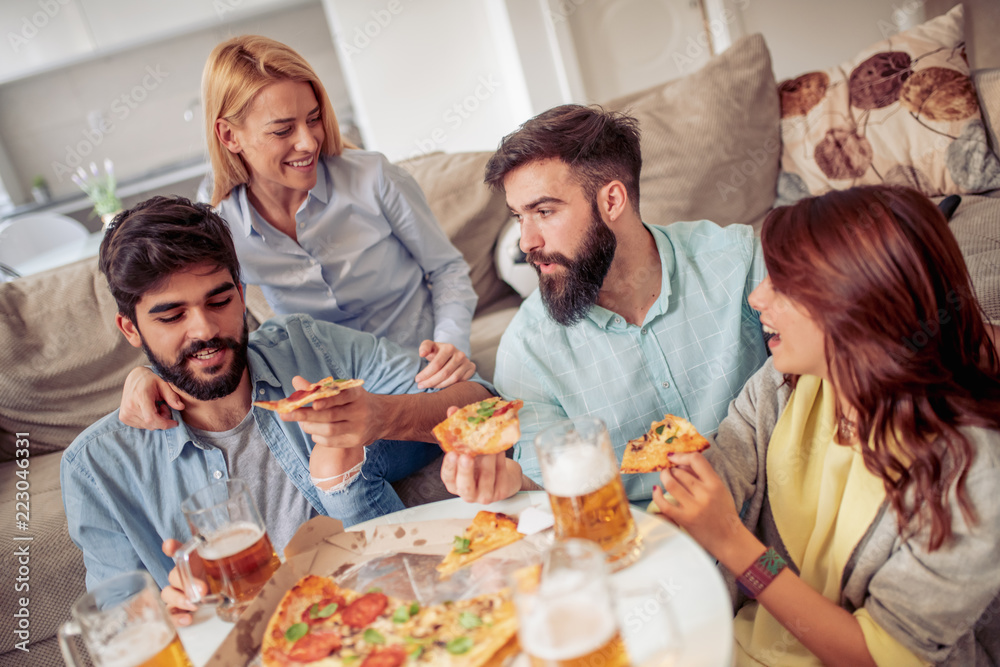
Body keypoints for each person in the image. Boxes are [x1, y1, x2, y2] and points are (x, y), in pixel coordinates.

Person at [60, 197, 493, 610]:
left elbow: (483, 403)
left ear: (242, 293)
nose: (205, 329)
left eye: (220, 300)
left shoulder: (309, 347)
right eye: (172, 316)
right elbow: (120, 620)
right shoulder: (96, 467)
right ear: (130, 329)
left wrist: (381, 415)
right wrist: (164, 612)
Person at [653, 185, 1000, 666]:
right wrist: (679, 496)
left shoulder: (971, 474)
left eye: (783, 284)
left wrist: (734, 545)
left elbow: (878, 654)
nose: (757, 297)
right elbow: (725, 465)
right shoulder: (786, 381)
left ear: (857, 301)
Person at [120, 34, 479, 486]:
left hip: (418, 376)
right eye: (282, 129)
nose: (309, 141)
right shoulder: (218, 222)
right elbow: (193, 312)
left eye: (314, 119)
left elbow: (445, 269)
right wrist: (144, 375)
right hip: (325, 401)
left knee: (344, 469)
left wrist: (452, 343)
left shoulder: (373, 178)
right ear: (229, 135)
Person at [441, 104, 768, 503]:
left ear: (612, 201)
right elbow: (552, 488)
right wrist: (511, 483)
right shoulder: (528, 349)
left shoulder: (738, 262)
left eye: (543, 211)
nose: (527, 242)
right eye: (518, 217)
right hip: (655, 549)